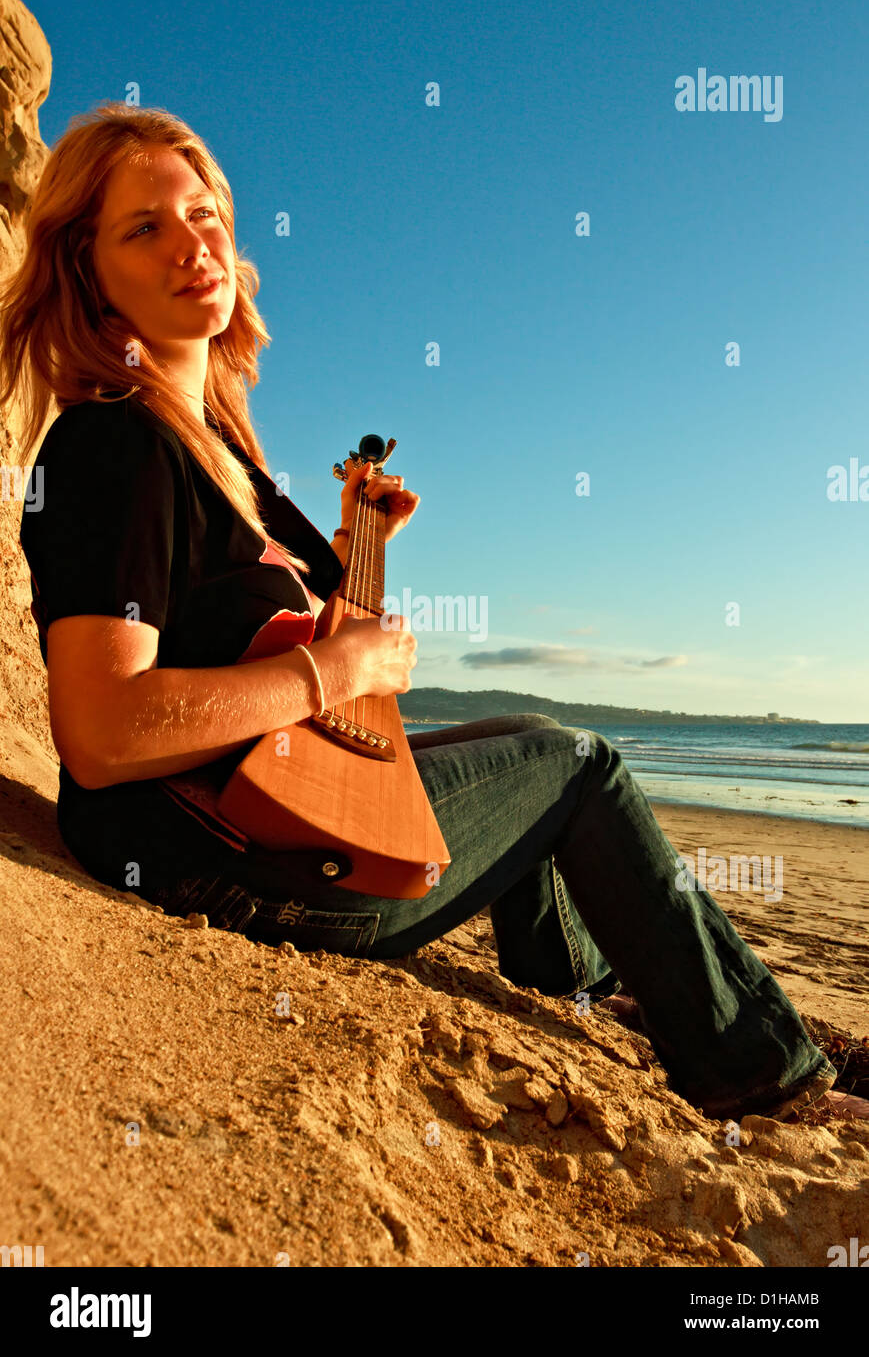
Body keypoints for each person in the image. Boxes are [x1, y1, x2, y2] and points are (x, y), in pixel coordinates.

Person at [2, 103, 864, 1125]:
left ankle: (580, 989)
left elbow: (268, 644)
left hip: (260, 826)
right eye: (144, 227)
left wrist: (353, 551)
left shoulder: (217, 455)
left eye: (203, 213)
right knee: (577, 761)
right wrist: (335, 671)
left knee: (514, 750)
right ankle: (763, 1071)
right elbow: (102, 732)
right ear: (83, 268)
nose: (193, 242)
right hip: (231, 865)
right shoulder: (113, 445)